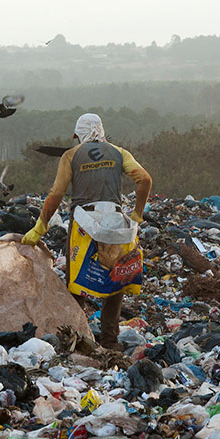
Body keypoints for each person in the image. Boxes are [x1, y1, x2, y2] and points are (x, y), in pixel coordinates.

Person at [20, 114, 152, 350]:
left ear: (76, 135)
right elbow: (145, 180)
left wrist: (40, 227)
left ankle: (75, 339)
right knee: (115, 281)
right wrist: (137, 215)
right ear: (102, 131)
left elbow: (56, 194)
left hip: (83, 223)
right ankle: (110, 342)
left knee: (76, 283)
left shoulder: (71, 155)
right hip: (113, 222)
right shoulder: (119, 152)